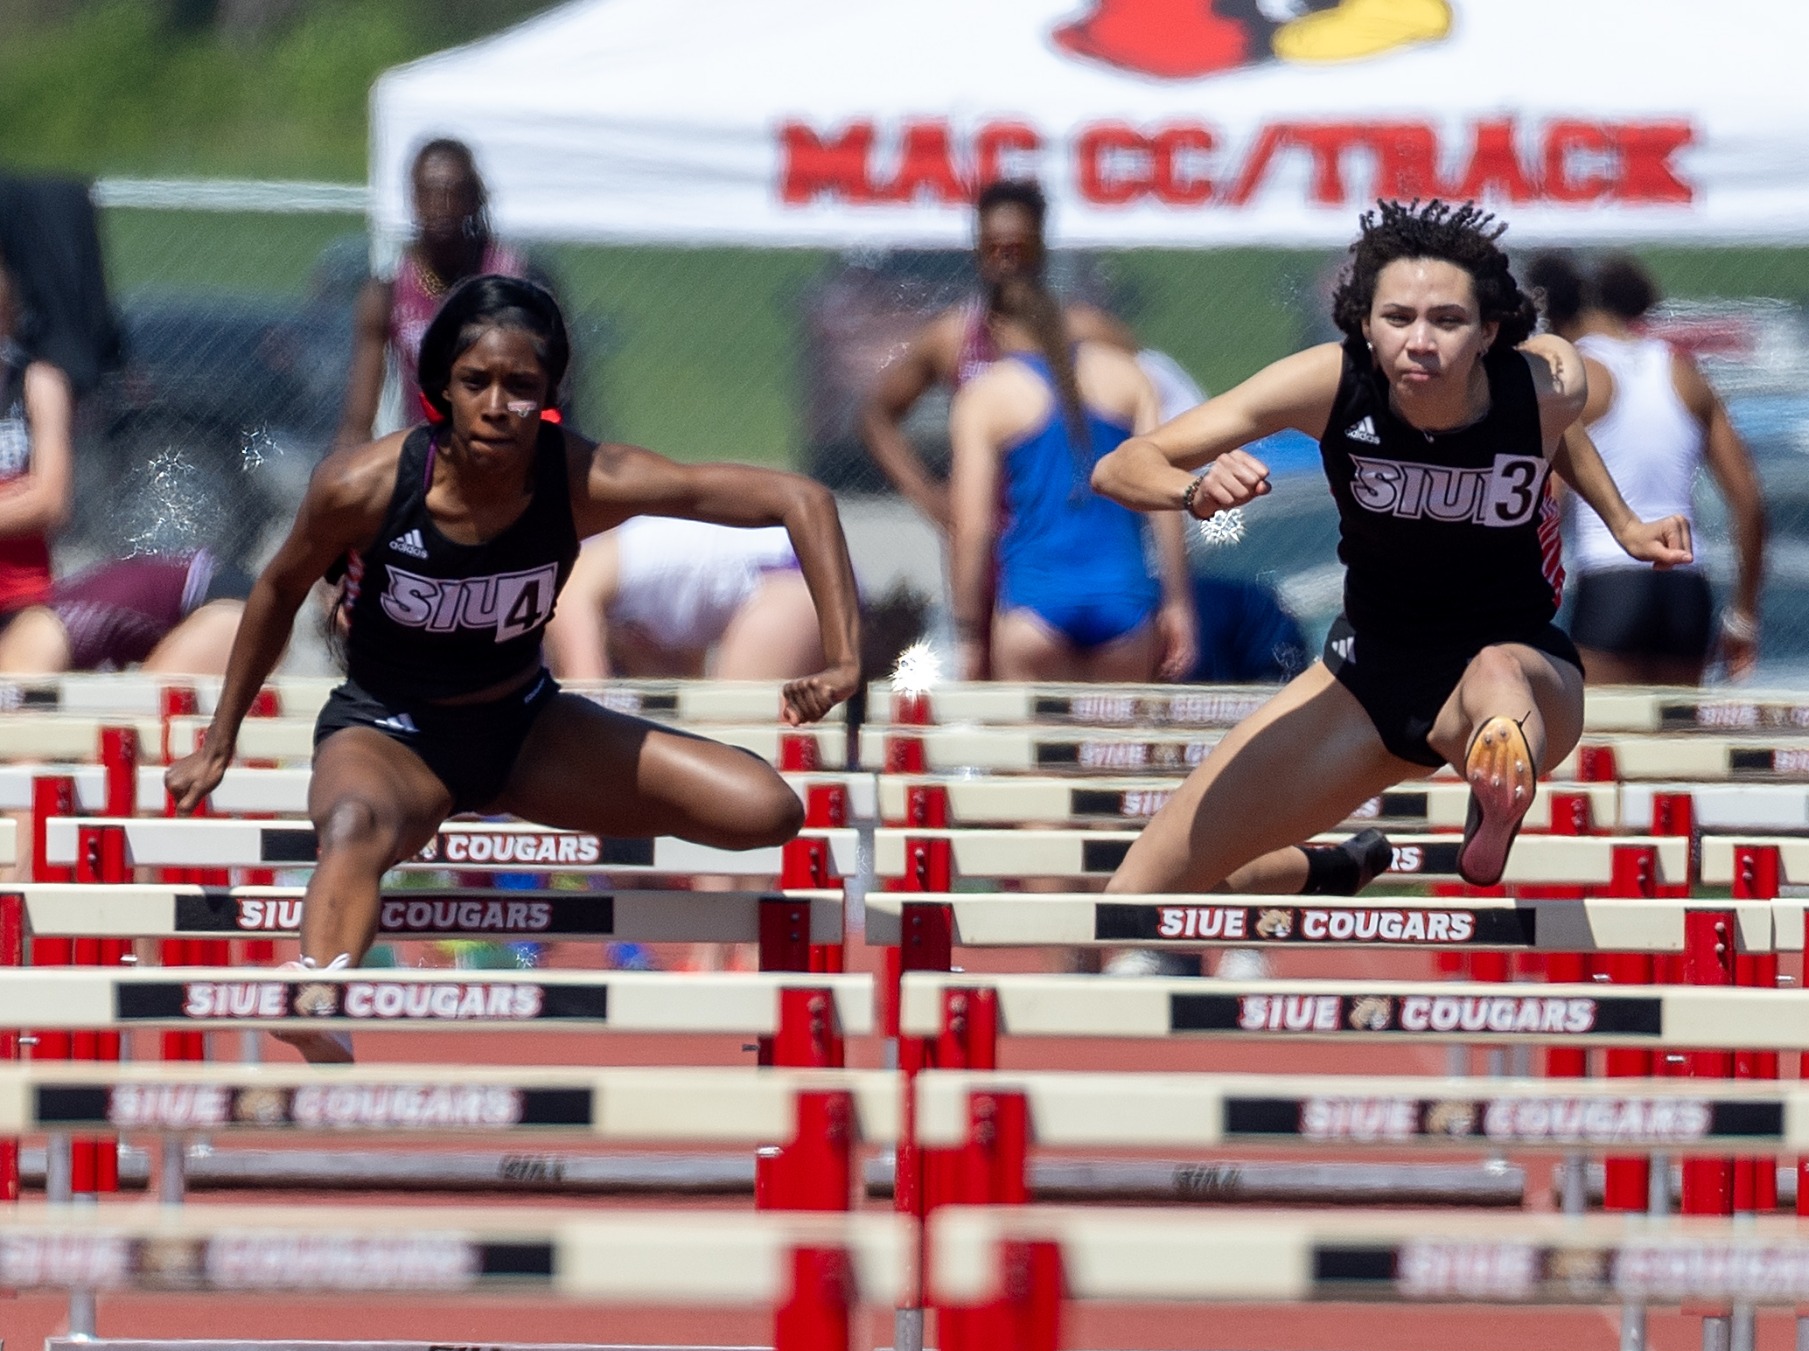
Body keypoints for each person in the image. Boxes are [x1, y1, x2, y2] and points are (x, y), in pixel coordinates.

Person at [167, 276, 861, 1061]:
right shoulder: (362, 487)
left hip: (528, 731)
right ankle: (318, 993)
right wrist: (220, 736)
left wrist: (844, 657)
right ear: (440, 391)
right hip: (392, 736)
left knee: (767, 810)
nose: (498, 405)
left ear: (550, 394)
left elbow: (801, 498)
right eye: (476, 383)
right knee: (355, 825)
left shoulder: (582, 480)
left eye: (522, 386)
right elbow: (278, 588)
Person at [1091, 200, 1691, 895]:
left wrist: (1624, 523)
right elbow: (1120, 466)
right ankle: (1326, 868)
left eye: (1448, 320)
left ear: (1489, 331)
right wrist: (1194, 491)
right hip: (1369, 674)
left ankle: (1497, 794)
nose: (1421, 342)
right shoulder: (1329, 383)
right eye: (1398, 319)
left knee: (1496, 673)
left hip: (1521, 666)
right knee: (1136, 895)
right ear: (1365, 325)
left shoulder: (1549, 381)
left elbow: (1553, 431)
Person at [1528, 253, 1766, 685]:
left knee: (1601, 744)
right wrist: (1744, 613)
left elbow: (1547, 503)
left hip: (1610, 578)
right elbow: (1749, 502)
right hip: (1685, 582)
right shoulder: (1682, 371)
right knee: (1674, 744)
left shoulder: (1577, 372)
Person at [948, 273, 1193, 683]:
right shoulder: (1130, 377)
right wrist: (1179, 604)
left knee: (1033, 746)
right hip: (1125, 603)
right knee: (1115, 749)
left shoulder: (986, 395)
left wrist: (969, 635)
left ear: (995, 327)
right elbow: (1163, 502)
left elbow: (971, 527)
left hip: (1033, 606)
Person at [857, 181, 1135, 531]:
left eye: (1017, 248)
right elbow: (876, 417)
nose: (1005, 260)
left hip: (1075, 528)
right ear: (977, 250)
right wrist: (933, 500)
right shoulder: (954, 337)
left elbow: (1153, 406)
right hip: (989, 537)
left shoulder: (1085, 333)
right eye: (994, 248)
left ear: (1040, 248)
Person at [335, 139, 538, 449]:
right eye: (428, 193)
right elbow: (357, 422)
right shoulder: (388, 295)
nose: (442, 206)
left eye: (454, 193)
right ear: (413, 199)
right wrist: (341, 476)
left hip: (506, 451)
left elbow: (548, 398)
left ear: (474, 200)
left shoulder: (512, 282)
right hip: (429, 453)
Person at [547, 517, 822, 680]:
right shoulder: (614, 574)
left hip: (791, 579)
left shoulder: (569, 584)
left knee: (728, 746)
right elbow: (681, 677)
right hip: (807, 574)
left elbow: (587, 693)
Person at [0, 551, 248, 674]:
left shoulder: (36, 634)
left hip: (232, 607)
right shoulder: (45, 623)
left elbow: (26, 753)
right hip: (220, 594)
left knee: (132, 731)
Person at [0, 262, 72, 623]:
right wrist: (15, 495)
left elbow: (50, 503)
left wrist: (33, 496)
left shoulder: (37, 382)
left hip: (21, 599)